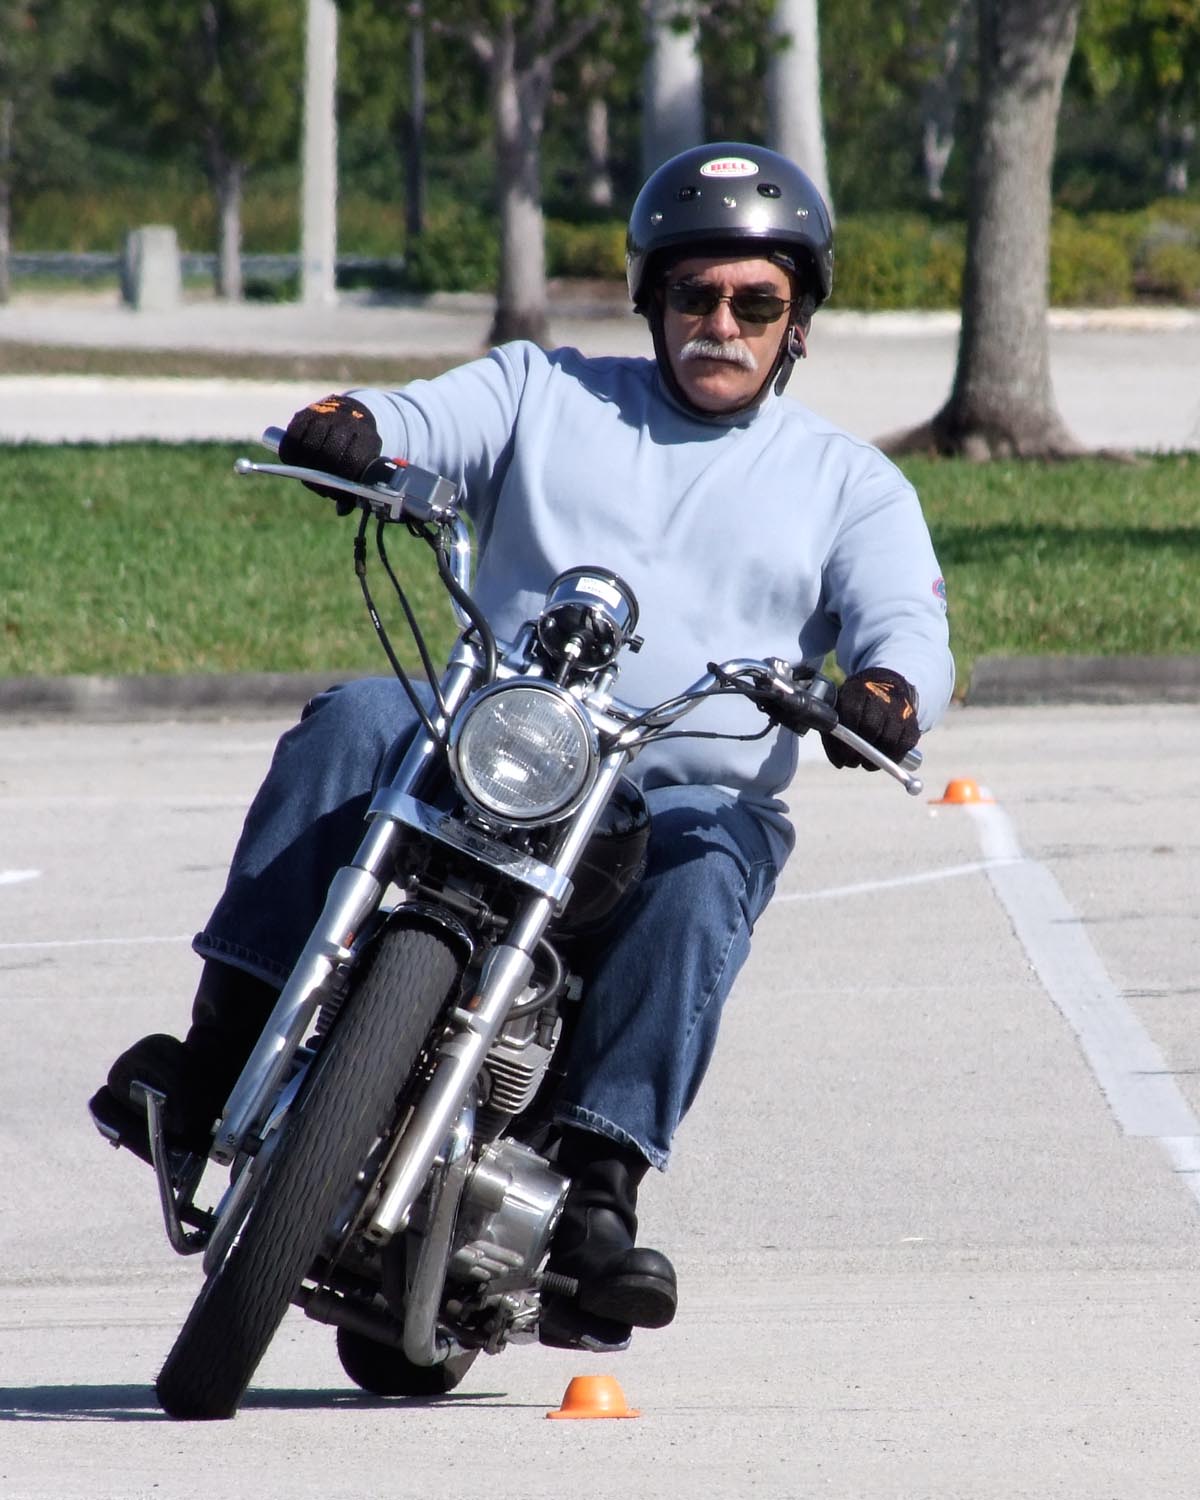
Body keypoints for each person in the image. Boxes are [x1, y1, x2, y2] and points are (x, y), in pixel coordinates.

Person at [90, 141, 953, 1352]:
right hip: (493, 735)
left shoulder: (850, 485)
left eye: (756, 304)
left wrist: (891, 690)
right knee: (356, 717)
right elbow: (421, 419)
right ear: (651, 296)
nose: (721, 324)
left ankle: (601, 1191)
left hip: (670, 788)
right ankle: (216, 1051)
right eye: (695, 293)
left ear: (797, 320)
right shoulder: (545, 390)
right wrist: (352, 425)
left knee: (710, 866)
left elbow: (907, 622)